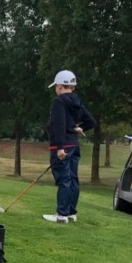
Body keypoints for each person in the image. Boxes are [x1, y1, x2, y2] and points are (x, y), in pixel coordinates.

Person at [43, 70, 95, 224]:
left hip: (62, 145)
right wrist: (79, 128)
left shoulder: (59, 102)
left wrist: (59, 148)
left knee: (64, 179)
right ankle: (71, 213)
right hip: (73, 144)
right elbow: (91, 122)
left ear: (59, 86)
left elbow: (59, 125)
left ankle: (61, 214)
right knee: (72, 178)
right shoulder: (76, 101)